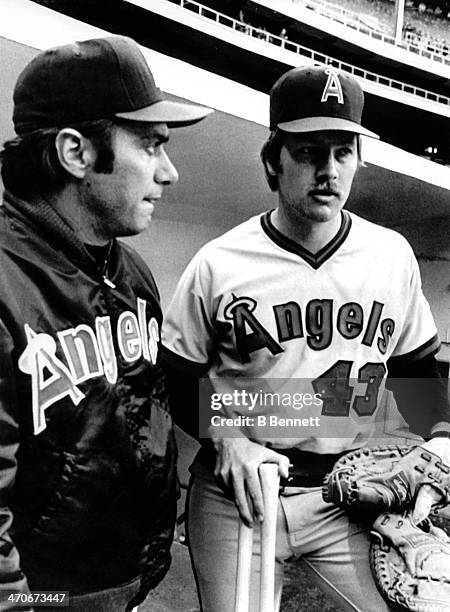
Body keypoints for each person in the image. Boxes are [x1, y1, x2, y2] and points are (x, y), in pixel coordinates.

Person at [162, 65, 450, 611]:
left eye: (344, 152)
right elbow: (176, 375)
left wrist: (440, 443)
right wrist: (227, 437)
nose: (328, 170)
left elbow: (416, 367)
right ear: (274, 160)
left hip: (347, 494)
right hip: (239, 496)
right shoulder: (220, 263)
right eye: (309, 152)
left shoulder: (390, 256)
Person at [0, 35, 211, 611]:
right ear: (76, 153)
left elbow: (162, 405)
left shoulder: (131, 270)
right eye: (150, 145)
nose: (168, 172)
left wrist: (239, 432)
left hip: (126, 581)